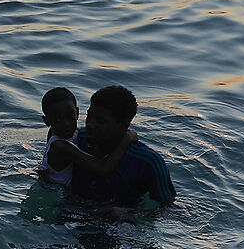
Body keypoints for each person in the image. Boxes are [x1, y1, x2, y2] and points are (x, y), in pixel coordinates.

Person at [51, 85, 176, 213]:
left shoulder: (148, 162)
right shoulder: (78, 140)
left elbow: (170, 210)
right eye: (90, 116)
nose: (90, 125)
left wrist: (132, 214)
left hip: (119, 226)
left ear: (124, 125)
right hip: (70, 215)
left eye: (100, 121)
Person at [34, 86, 79, 187]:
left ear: (77, 113)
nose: (66, 123)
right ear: (46, 121)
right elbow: (102, 168)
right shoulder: (62, 146)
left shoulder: (54, 131)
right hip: (58, 193)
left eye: (70, 116)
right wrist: (123, 141)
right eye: (58, 119)